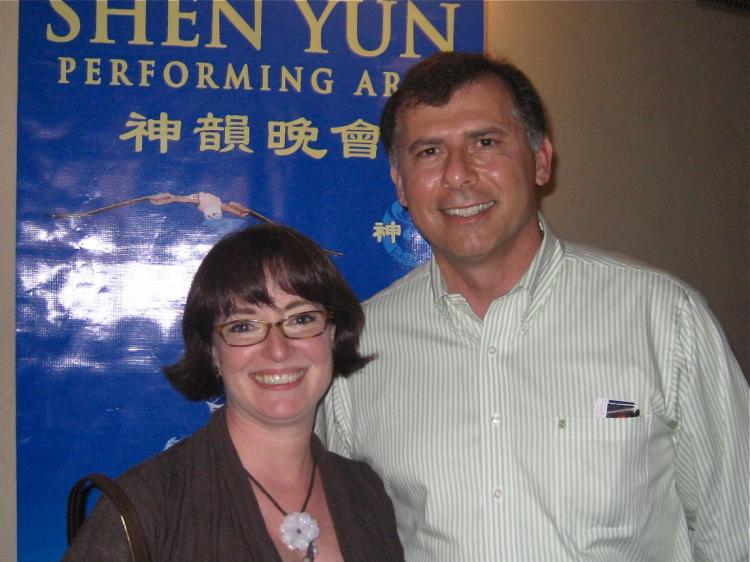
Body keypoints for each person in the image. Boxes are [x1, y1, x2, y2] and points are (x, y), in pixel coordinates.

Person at [318, 52, 749, 561]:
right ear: (400, 184)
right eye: (429, 151)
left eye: (485, 142)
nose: (458, 175)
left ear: (541, 159)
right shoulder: (358, 349)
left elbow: (735, 531)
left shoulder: (664, 319)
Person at [64, 224, 404, 561]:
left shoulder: (365, 490)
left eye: (301, 319)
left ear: (331, 333)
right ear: (212, 351)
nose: (279, 350)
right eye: (244, 326)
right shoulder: (145, 505)